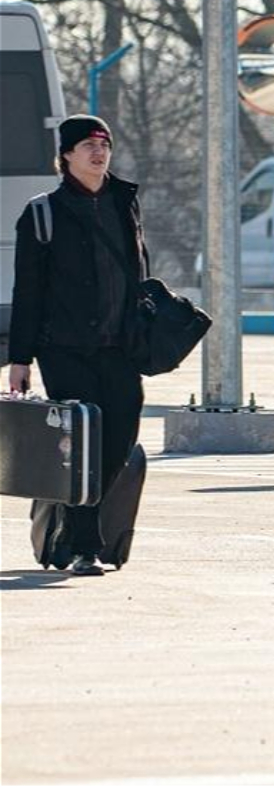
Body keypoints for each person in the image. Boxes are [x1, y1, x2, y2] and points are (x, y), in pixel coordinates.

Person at [6, 114, 147, 576]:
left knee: (121, 435)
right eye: (87, 144)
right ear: (66, 155)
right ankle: (86, 544)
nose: (98, 152)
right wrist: (20, 358)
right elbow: (28, 291)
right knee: (83, 442)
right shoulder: (43, 212)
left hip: (119, 347)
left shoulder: (125, 202)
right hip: (64, 348)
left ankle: (68, 510)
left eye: (103, 143)